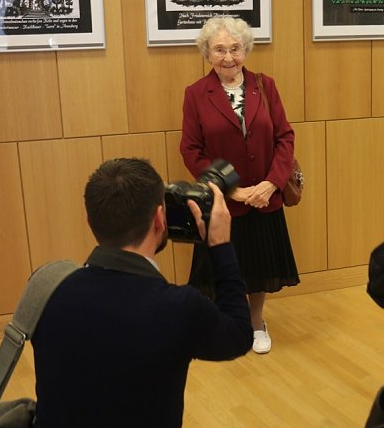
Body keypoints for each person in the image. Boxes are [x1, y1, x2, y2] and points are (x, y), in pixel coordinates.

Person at [32, 158, 252, 428]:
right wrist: (220, 244)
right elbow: (240, 335)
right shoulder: (178, 308)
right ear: (160, 219)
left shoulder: (45, 287)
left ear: (90, 221)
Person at [181, 15, 299, 355]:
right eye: (219, 49)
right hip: (222, 199)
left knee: (259, 267)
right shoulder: (196, 95)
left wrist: (271, 184)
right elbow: (191, 149)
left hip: (264, 198)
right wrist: (229, 189)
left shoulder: (265, 86)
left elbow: (284, 137)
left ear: (246, 49)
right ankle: (222, 323)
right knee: (221, 265)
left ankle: (256, 322)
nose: (229, 57)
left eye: (235, 48)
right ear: (207, 53)